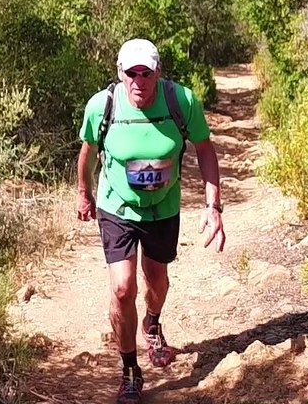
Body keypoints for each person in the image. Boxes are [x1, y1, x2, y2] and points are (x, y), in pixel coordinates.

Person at [75, 38, 226, 404]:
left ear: (158, 72)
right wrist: (84, 193)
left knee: (156, 279)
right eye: (131, 73)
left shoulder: (181, 101)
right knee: (124, 288)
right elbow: (88, 153)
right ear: (120, 73)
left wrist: (213, 205)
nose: (138, 81)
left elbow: (205, 148)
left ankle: (152, 321)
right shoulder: (103, 106)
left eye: (146, 73)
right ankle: (130, 372)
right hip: (118, 208)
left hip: (163, 208)